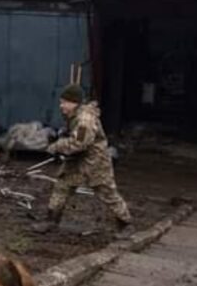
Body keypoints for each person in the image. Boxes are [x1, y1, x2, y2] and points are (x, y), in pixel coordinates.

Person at [31, 84, 132, 235]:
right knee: (62, 185)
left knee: (107, 193)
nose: (61, 106)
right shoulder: (75, 116)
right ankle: (51, 220)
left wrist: (56, 146)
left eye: (64, 102)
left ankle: (125, 223)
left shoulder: (85, 119)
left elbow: (80, 143)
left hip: (95, 162)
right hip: (77, 160)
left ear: (74, 103)